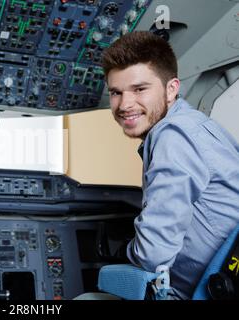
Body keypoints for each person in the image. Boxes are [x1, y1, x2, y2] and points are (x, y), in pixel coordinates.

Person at [99, 31, 239, 299]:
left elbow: (152, 254)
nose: (125, 104)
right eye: (116, 92)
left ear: (171, 89)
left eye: (139, 89)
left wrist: (125, 250)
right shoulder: (196, 126)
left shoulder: (173, 135)